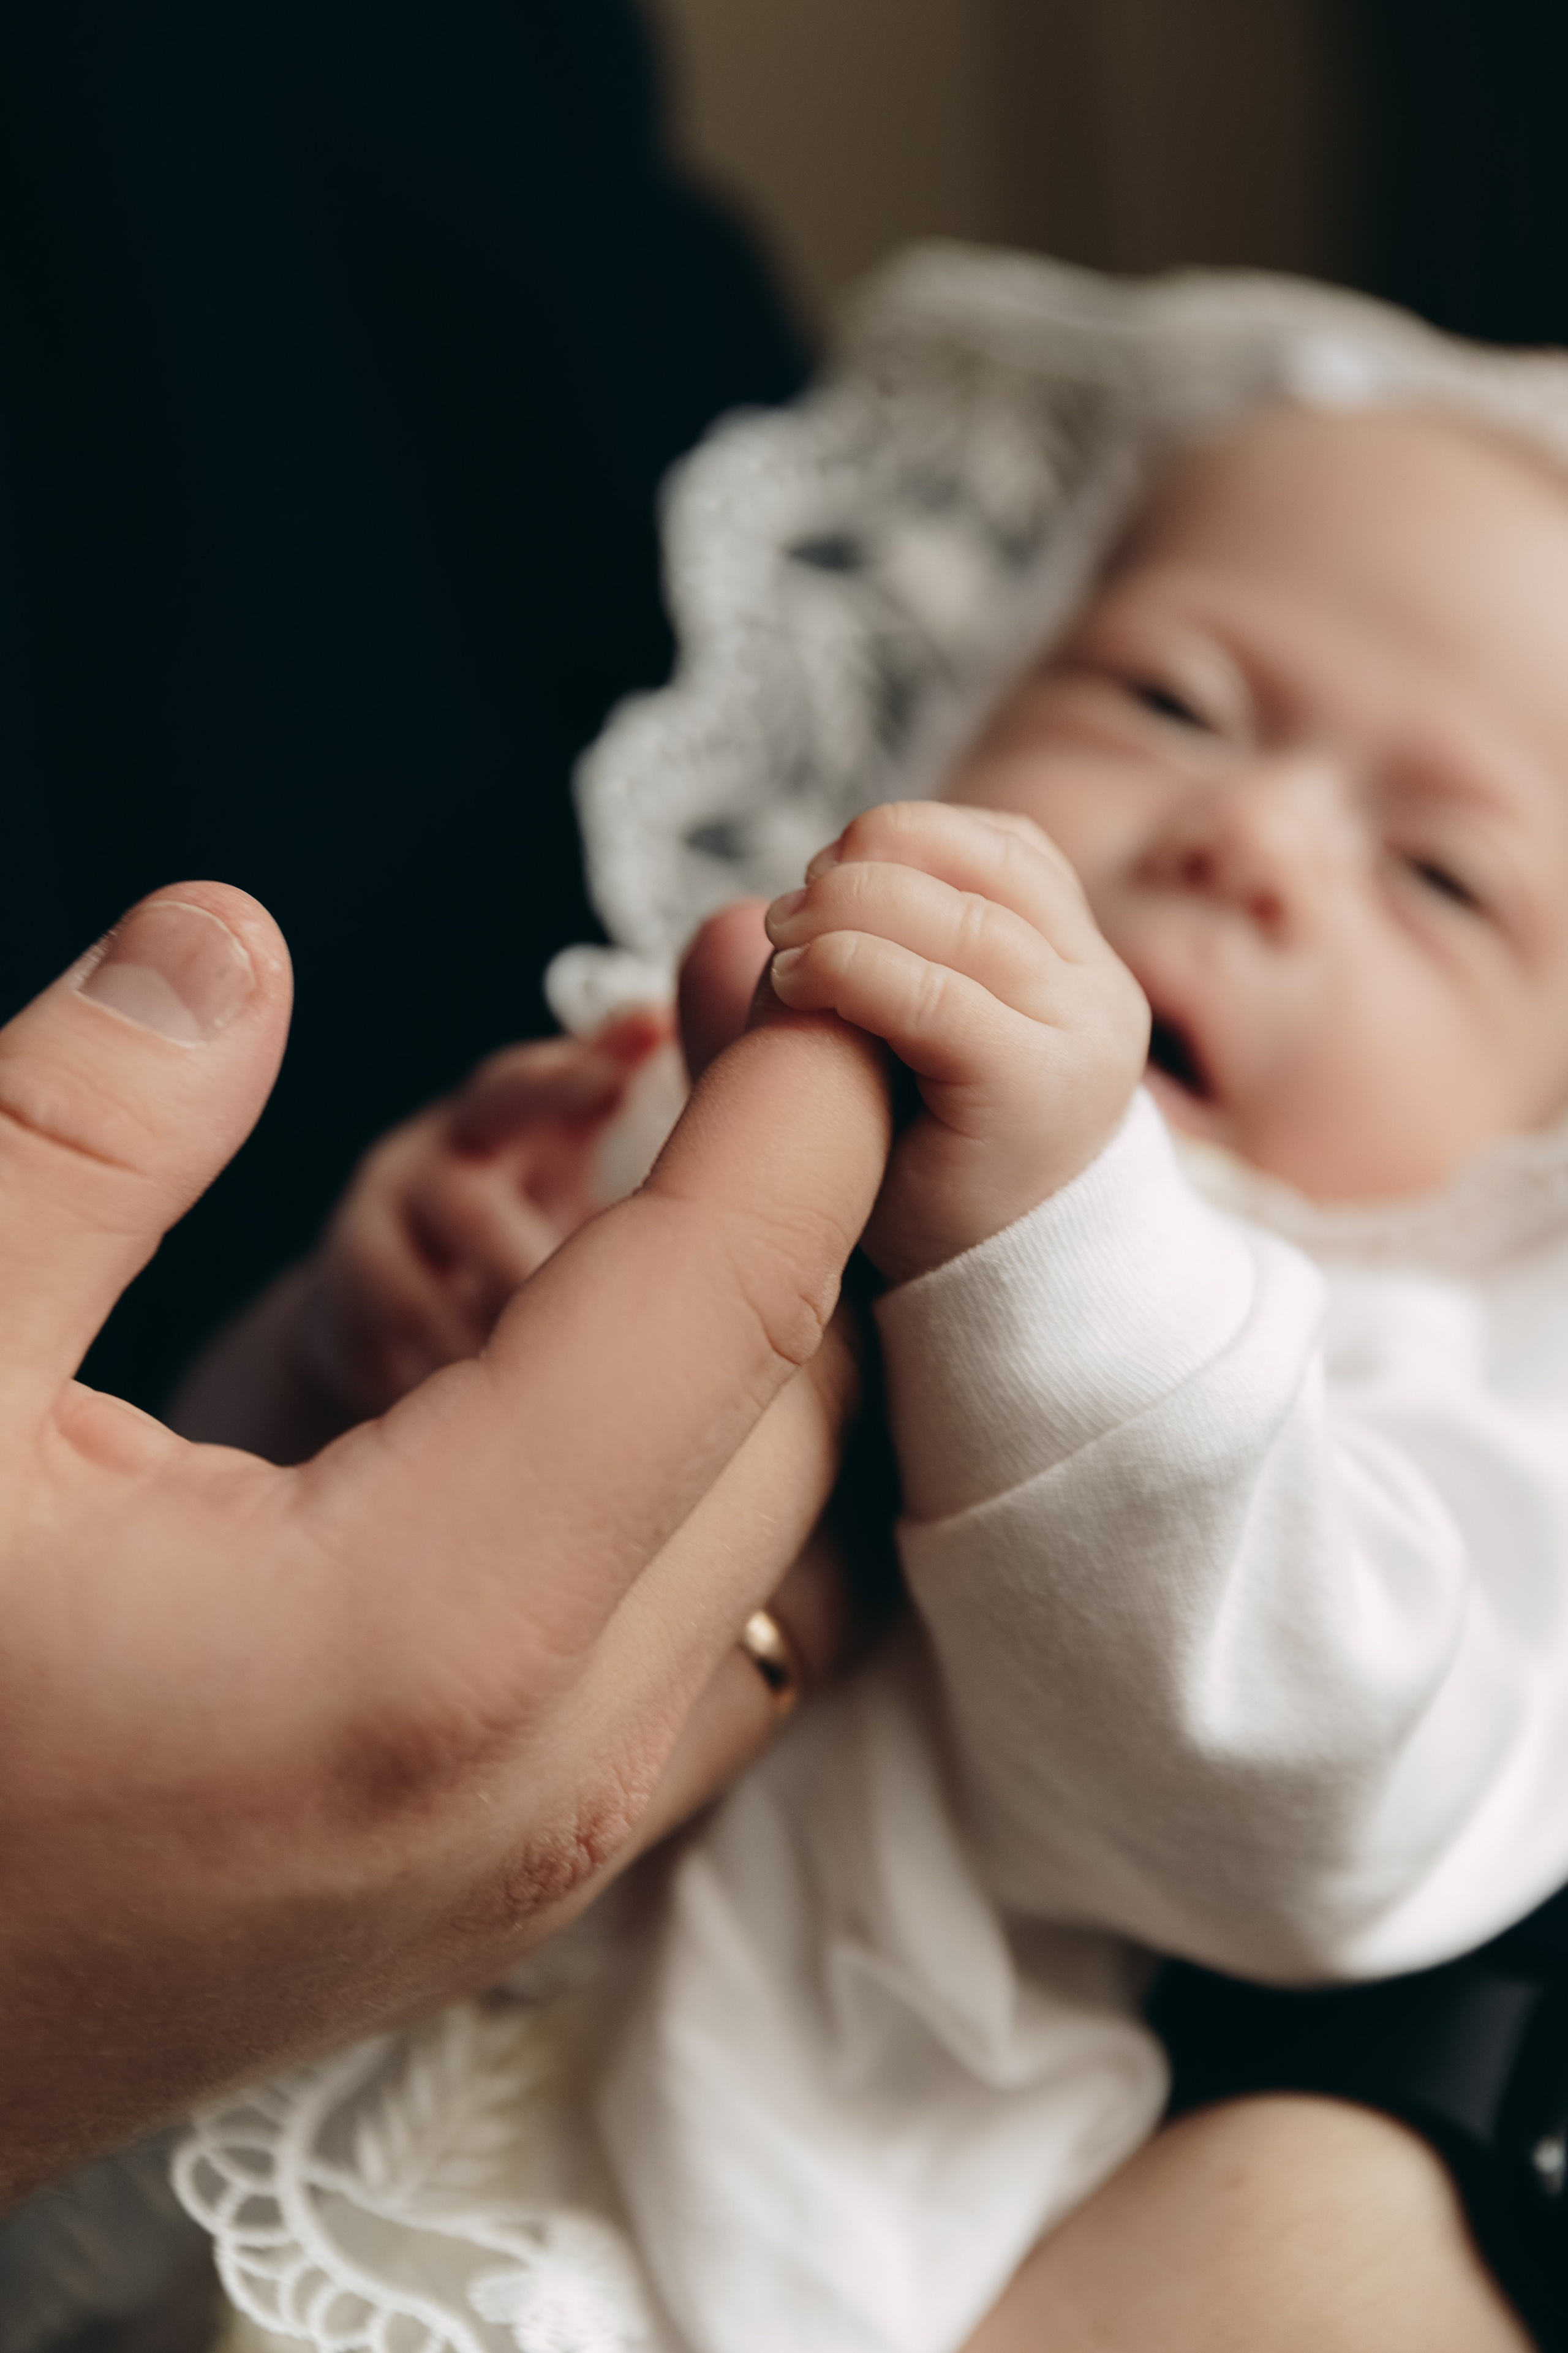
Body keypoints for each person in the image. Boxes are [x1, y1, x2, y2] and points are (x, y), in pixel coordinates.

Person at [173, 398, 1567, 2353]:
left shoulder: (1416, 1369)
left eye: (1445, 880)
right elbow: (187, 1550)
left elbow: (1311, 1822)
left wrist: (1066, 1237)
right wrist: (343, 1332)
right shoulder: (703, 1047)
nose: (1245, 834)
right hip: (185, 2104)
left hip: (745, 2257)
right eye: (1167, 697)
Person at [0, 875, 893, 2220]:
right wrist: (336, 1358)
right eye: (1162, 704)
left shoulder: (1300, 1380)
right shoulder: (661, 1090)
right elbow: (148, 1619)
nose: (1241, 842)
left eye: (1350, 872)